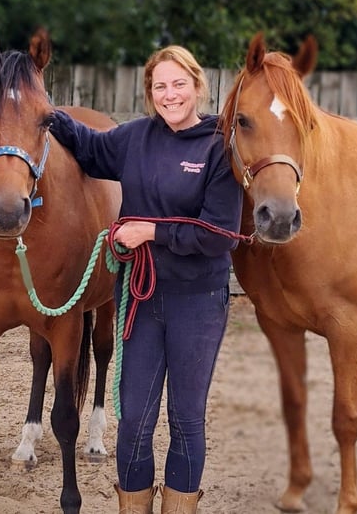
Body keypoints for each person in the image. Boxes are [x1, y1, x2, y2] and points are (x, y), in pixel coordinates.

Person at [48, 44, 243, 514]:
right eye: (160, 86)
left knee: (185, 418)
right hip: (141, 298)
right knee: (134, 419)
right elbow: (87, 147)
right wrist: (42, 109)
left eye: (179, 84)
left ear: (198, 86)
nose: (169, 94)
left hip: (198, 300)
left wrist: (150, 231)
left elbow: (219, 234)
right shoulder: (134, 137)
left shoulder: (220, 145)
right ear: (149, 92)